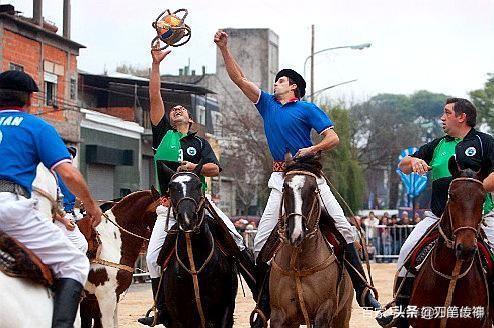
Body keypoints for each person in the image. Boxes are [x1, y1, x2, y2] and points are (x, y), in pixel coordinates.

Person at [214, 29, 381, 325]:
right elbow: (239, 79)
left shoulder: (307, 108)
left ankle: (363, 291)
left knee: (343, 227)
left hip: (311, 178)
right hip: (280, 180)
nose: (274, 84)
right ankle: (264, 301)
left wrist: (311, 149)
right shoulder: (266, 104)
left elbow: (333, 138)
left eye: (279, 81)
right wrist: (225, 49)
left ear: (292, 86)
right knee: (262, 240)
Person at [137, 48, 255, 326]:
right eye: (174, 109)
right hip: (169, 206)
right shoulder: (162, 134)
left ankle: (260, 293)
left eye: (182, 110)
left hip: (200, 203)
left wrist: (195, 168)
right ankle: (160, 309)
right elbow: (155, 97)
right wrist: (155, 65)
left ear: (190, 120)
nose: (177, 110)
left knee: (236, 241)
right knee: (154, 259)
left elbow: (215, 169)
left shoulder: (199, 143)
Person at [378, 98, 494, 327]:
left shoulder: (484, 142)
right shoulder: (438, 145)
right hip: (437, 217)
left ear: (462, 117)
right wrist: (414, 161)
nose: (442, 118)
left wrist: (474, 190)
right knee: (405, 253)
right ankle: (401, 312)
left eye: (447, 113)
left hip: (480, 217)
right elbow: (402, 165)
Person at [0, 70, 102, 327]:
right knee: (75, 261)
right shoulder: (35, 126)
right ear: (30, 100)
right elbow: (68, 174)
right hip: (9, 209)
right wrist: (91, 207)